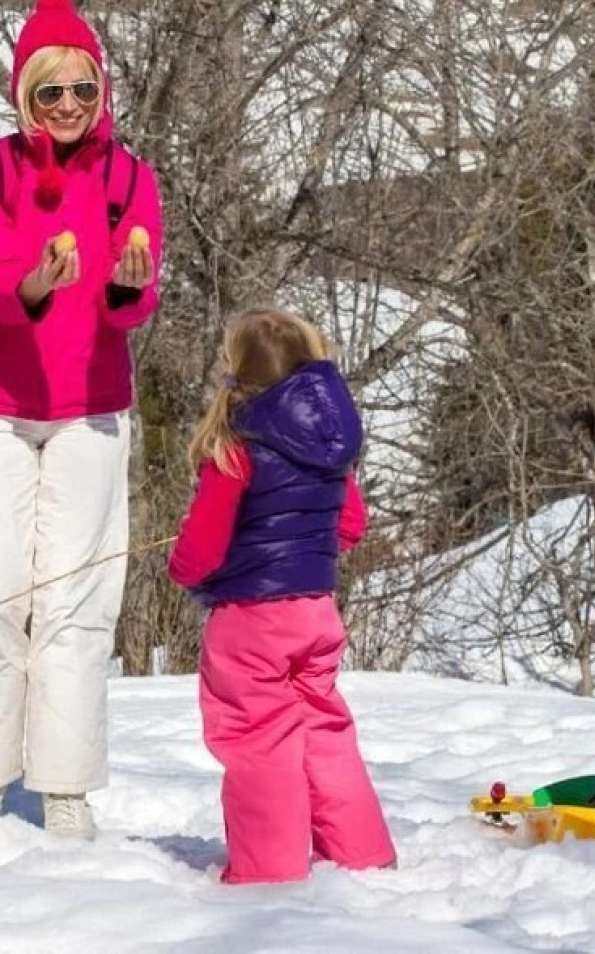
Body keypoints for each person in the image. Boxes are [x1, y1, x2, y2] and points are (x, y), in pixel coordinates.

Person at [0, 0, 163, 839]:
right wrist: (40, 279)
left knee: (75, 596)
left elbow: (128, 311)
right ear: (22, 97)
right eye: (50, 93)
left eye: (83, 90)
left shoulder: (129, 176)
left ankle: (65, 785)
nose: (69, 107)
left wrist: (126, 282)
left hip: (90, 407)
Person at [167, 308, 396, 884]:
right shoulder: (327, 448)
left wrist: (184, 569)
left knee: (257, 740)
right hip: (315, 610)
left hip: (250, 620)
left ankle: (269, 871)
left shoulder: (237, 448)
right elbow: (350, 526)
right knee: (323, 730)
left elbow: (203, 550)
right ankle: (363, 853)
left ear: (238, 374)